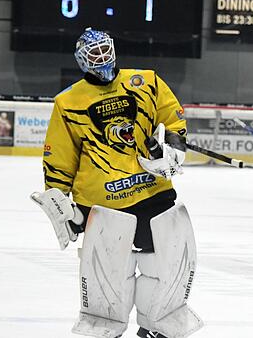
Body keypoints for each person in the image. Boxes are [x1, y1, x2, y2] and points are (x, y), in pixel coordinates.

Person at [31, 28, 201, 338]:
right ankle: (105, 326)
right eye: (93, 53)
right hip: (101, 202)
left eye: (104, 49)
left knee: (166, 262)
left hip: (153, 193)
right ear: (82, 60)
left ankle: (159, 324)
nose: (101, 58)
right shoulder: (68, 102)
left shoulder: (146, 81)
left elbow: (172, 118)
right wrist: (59, 200)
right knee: (109, 273)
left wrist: (174, 146)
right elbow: (60, 157)